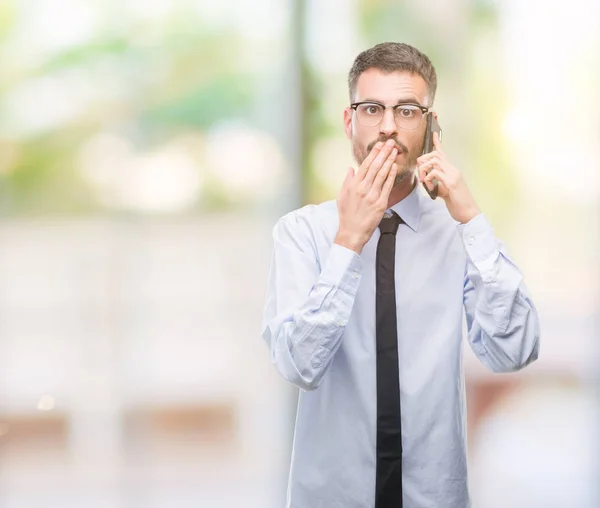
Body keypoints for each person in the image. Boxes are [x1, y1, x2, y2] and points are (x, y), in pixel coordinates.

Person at [260, 42, 540, 508]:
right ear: (350, 122)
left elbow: (513, 352)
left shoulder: (460, 235)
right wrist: (348, 242)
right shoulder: (301, 233)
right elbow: (298, 366)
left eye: (407, 110)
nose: (388, 127)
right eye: (372, 109)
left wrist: (469, 215)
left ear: (431, 127)